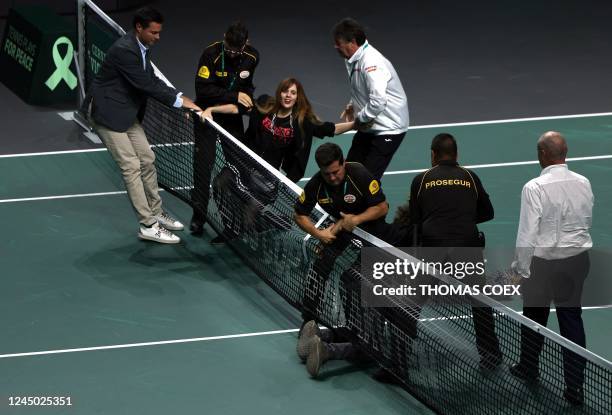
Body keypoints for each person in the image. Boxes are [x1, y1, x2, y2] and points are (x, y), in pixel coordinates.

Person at [88, 6, 201, 244]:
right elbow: (145, 86)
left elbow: (151, 77)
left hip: (127, 112)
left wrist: (179, 95)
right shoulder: (124, 51)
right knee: (130, 166)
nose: (157, 38)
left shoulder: (142, 46)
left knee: (147, 159)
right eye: (154, 33)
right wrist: (180, 102)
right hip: (108, 115)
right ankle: (147, 224)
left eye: (159, 33)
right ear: (139, 28)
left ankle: (156, 212)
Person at [293, 143, 406, 378]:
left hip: (372, 233)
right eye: (328, 174)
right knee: (321, 265)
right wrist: (319, 234)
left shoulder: (359, 174)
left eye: (336, 171)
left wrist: (358, 218)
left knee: (354, 278)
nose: (333, 177)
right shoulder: (317, 183)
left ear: (343, 163)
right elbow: (299, 214)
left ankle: (345, 333)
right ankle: (309, 321)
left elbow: (382, 207)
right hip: (343, 228)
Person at [509, 131, 593, 407]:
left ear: (543, 154)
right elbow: (585, 219)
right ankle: (575, 388)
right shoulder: (584, 182)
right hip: (577, 261)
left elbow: (527, 233)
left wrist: (520, 269)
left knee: (534, 317)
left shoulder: (534, 187)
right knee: (572, 320)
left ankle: (528, 366)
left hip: (544, 265)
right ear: (564, 153)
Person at [406, 133, 503, 369]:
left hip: (433, 248)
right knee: (480, 303)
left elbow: (414, 221)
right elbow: (488, 213)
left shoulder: (421, 180)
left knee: (412, 300)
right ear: (456, 154)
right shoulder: (470, 177)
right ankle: (490, 356)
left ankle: (402, 346)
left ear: (433, 155)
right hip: (466, 247)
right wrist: (464, 219)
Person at [201, 77, 356, 182]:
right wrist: (211, 110)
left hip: (268, 174)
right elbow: (237, 109)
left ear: (297, 97)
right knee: (220, 184)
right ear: (279, 93)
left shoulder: (301, 122)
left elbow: (332, 129)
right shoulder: (265, 105)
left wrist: (356, 125)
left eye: (293, 93)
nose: (288, 96)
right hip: (244, 162)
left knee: (249, 214)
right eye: (285, 91)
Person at [191, 21, 259, 240]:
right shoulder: (210, 54)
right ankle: (198, 217)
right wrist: (234, 96)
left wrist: (246, 97)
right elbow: (202, 90)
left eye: (236, 50)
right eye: (228, 48)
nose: (231, 53)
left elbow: (246, 85)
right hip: (207, 117)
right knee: (203, 168)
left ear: (246, 44)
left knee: (238, 167)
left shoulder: (252, 56)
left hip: (231, 116)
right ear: (224, 38)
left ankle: (239, 221)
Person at [332, 18, 409, 181]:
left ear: (352, 42)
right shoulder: (352, 59)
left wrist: (360, 119)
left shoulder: (371, 63)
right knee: (350, 172)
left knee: (367, 182)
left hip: (389, 128)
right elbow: (363, 87)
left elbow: (378, 101)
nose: (336, 47)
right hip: (370, 125)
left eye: (338, 43)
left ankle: (376, 206)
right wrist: (353, 104)